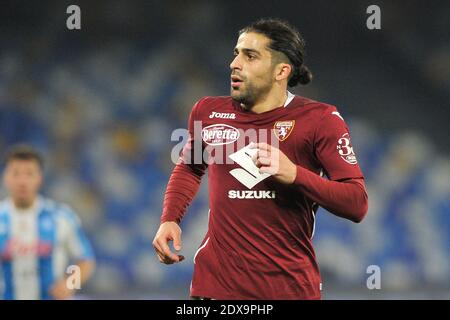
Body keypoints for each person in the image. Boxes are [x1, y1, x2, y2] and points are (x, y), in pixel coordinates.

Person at [153, 18, 368, 299]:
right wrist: (170, 218)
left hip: (288, 289)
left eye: (250, 56)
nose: (235, 63)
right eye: (236, 53)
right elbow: (190, 168)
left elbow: (357, 203)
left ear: (281, 71)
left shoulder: (320, 119)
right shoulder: (207, 111)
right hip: (214, 289)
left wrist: (295, 174)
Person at [0, 145, 95, 300]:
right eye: (16, 173)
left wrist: (69, 285)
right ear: (6, 177)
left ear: (40, 178)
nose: (22, 181)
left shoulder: (61, 217)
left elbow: (85, 260)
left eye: (29, 174)